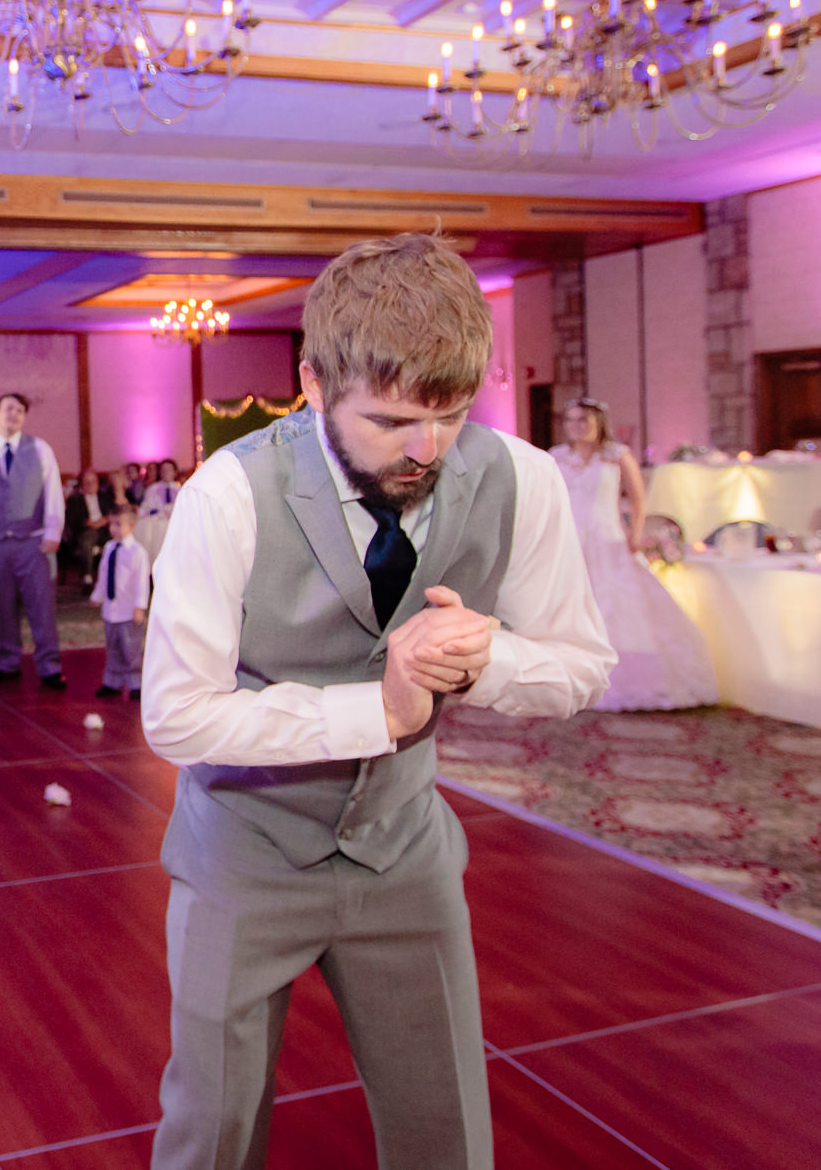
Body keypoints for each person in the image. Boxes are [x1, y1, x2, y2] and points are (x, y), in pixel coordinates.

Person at [142, 233, 615, 1170]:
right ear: (312, 384)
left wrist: (483, 659)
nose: (426, 449)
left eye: (449, 415)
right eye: (392, 420)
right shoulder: (227, 494)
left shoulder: (522, 478)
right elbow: (178, 715)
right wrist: (382, 711)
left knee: (447, 1132)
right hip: (244, 854)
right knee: (213, 1133)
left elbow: (580, 664)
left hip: (407, 855)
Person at [554, 398, 718, 711]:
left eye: (583, 420)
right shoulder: (558, 457)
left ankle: (627, 678)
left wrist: (635, 532)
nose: (576, 426)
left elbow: (639, 497)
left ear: (598, 423)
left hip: (607, 536)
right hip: (570, 539)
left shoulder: (617, 455)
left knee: (618, 605)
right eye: (571, 420)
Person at [0, 392, 66, 690]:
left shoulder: (40, 449)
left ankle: (50, 667)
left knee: (41, 607)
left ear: (24, 417)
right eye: (8, 409)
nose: (13, 414)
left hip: (32, 542)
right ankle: (8, 662)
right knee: (2, 607)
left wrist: (53, 531)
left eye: (19, 410)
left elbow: (53, 492)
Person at [90, 502, 148, 700]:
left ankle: (136, 683)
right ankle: (112, 682)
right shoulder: (109, 548)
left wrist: (140, 606)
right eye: (111, 524)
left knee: (132, 649)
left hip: (128, 611)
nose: (113, 528)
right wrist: (97, 595)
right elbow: (104, 574)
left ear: (131, 526)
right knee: (113, 647)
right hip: (111, 611)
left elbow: (142, 581)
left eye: (118, 524)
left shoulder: (138, 552)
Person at [63, 467, 117, 583]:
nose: (90, 484)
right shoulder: (75, 500)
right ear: (82, 484)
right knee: (87, 539)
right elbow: (72, 520)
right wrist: (88, 523)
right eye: (87, 482)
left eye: (93, 481)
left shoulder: (106, 497)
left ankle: (115, 577)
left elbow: (114, 513)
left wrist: (105, 519)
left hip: (105, 530)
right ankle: (87, 576)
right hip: (86, 531)